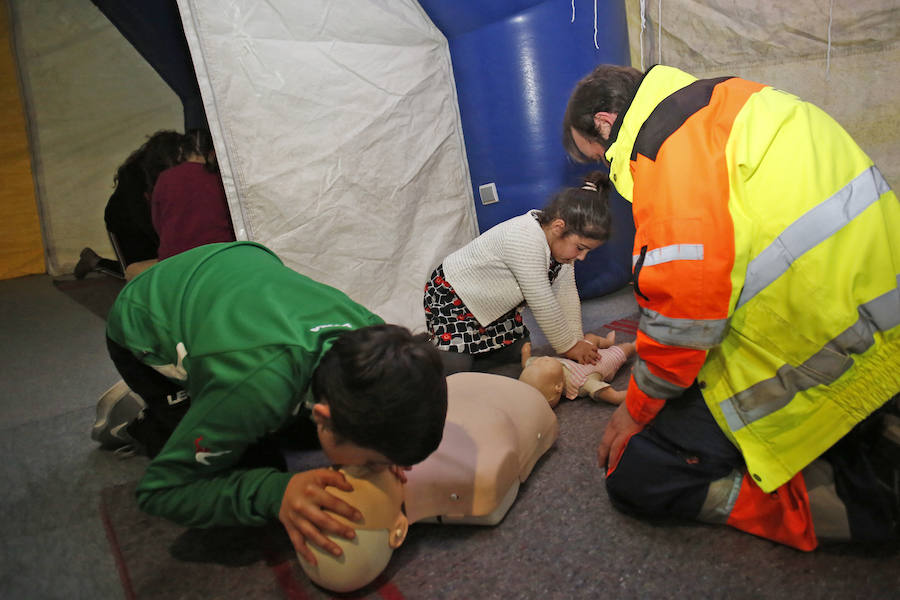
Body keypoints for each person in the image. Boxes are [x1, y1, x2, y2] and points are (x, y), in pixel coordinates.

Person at [563, 63, 900, 549]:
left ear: (604, 123)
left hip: (821, 358)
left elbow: (687, 306)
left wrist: (636, 410)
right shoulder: (737, 101)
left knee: (635, 471)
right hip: (878, 329)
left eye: (604, 159)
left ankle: (837, 502)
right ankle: (863, 440)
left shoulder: (665, 143)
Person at [94, 241, 448, 564]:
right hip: (142, 318)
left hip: (234, 272)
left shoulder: (372, 334)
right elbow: (161, 492)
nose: (383, 470)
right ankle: (145, 417)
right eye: (376, 462)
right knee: (255, 466)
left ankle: (209, 397)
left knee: (283, 431)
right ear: (323, 417)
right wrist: (274, 493)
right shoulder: (252, 387)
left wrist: (389, 448)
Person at [424, 171, 613, 375]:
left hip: (497, 306)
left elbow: (566, 294)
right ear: (559, 227)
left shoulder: (562, 250)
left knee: (519, 360)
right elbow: (542, 301)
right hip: (454, 297)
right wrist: (569, 347)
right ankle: (426, 357)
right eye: (580, 248)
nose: (582, 257)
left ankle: (481, 362)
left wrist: (576, 341)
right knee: (454, 375)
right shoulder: (525, 237)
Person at [75, 130, 185, 279]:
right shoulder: (133, 173)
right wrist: (163, 241)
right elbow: (139, 214)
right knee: (137, 274)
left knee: (160, 267)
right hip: (125, 225)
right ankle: (94, 261)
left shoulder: (167, 173)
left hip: (147, 225)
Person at [151, 128, 236, 261]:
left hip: (173, 262)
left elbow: (158, 224)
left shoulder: (165, 178)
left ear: (181, 152)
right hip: (219, 255)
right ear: (213, 154)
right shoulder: (221, 178)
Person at [519, 331, 635, 408]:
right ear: (558, 387)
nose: (542, 358)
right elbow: (615, 396)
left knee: (590, 337)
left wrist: (525, 353)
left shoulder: (540, 371)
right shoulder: (580, 383)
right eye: (544, 362)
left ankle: (607, 342)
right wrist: (639, 392)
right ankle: (637, 345)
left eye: (535, 364)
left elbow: (526, 364)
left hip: (582, 354)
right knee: (626, 348)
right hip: (603, 361)